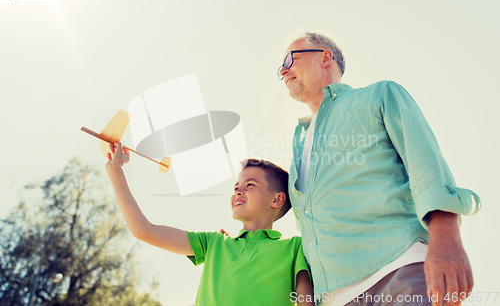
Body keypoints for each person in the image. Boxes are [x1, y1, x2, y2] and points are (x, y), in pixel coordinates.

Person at [278, 30, 481, 306]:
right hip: (333, 297)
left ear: (325, 57)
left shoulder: (379, 95)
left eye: (290, 59)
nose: (283, 69)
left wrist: (447, 237)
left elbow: (425, 162)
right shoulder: (298, 144)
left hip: (398, 274)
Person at [105, 143, 315, 306]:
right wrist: (116, 171)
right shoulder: (213, 243)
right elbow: (144, 230)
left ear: (277, 200)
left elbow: (306, 301)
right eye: (236, 187)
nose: (238, 192)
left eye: (250, 185)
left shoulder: (294, 247)